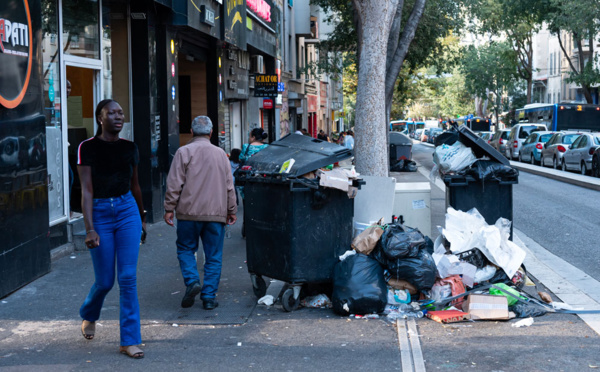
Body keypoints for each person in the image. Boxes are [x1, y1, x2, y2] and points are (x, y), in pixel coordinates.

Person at [77, 99, 146, 359]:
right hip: (100, 213)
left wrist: (142, 218)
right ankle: (89, 314)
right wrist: (89, 228)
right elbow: (86, 190)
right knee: (105, 281)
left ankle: (129, 340)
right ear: (100, 118)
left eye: (121, 113)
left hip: (127, 210)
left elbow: (136, 185)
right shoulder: (87, 148)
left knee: (127, 278)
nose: (119, 117)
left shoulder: (130, 148)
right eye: (112, 113)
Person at [164, 116, 237, 311]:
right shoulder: (221, 154)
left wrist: (169, 208)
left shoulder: (183, 152)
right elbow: (229, 185)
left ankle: (192, 281)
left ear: (191, 131)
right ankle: (209, 297)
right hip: (215, 214)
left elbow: (174, 184)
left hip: (188, 214)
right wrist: (232, 209)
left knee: (186, 249)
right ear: (211, 132)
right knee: (213, 255)